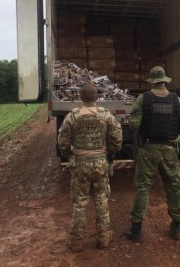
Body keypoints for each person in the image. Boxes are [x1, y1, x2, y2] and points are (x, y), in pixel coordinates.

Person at [123, 66, 180, 242]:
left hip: (148, 149)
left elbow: (133, 124)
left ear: (152, 81)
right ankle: (176, 226)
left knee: (142, 187)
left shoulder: (143, 98)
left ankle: (136, 229)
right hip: (169, 150)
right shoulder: (177, 100)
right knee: (174, 186)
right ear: (164, 80)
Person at [58, 83, 123, 252]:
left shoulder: (73, 116)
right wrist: (111, 152)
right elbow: (116, 137)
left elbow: (62, 140)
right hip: (101, 163)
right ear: (97, 97)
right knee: (101, 200)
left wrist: (69, 155)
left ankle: (76, 242)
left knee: (80, 203)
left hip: (80, 164)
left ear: (80, 97)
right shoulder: (105, 115)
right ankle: (103, 239)